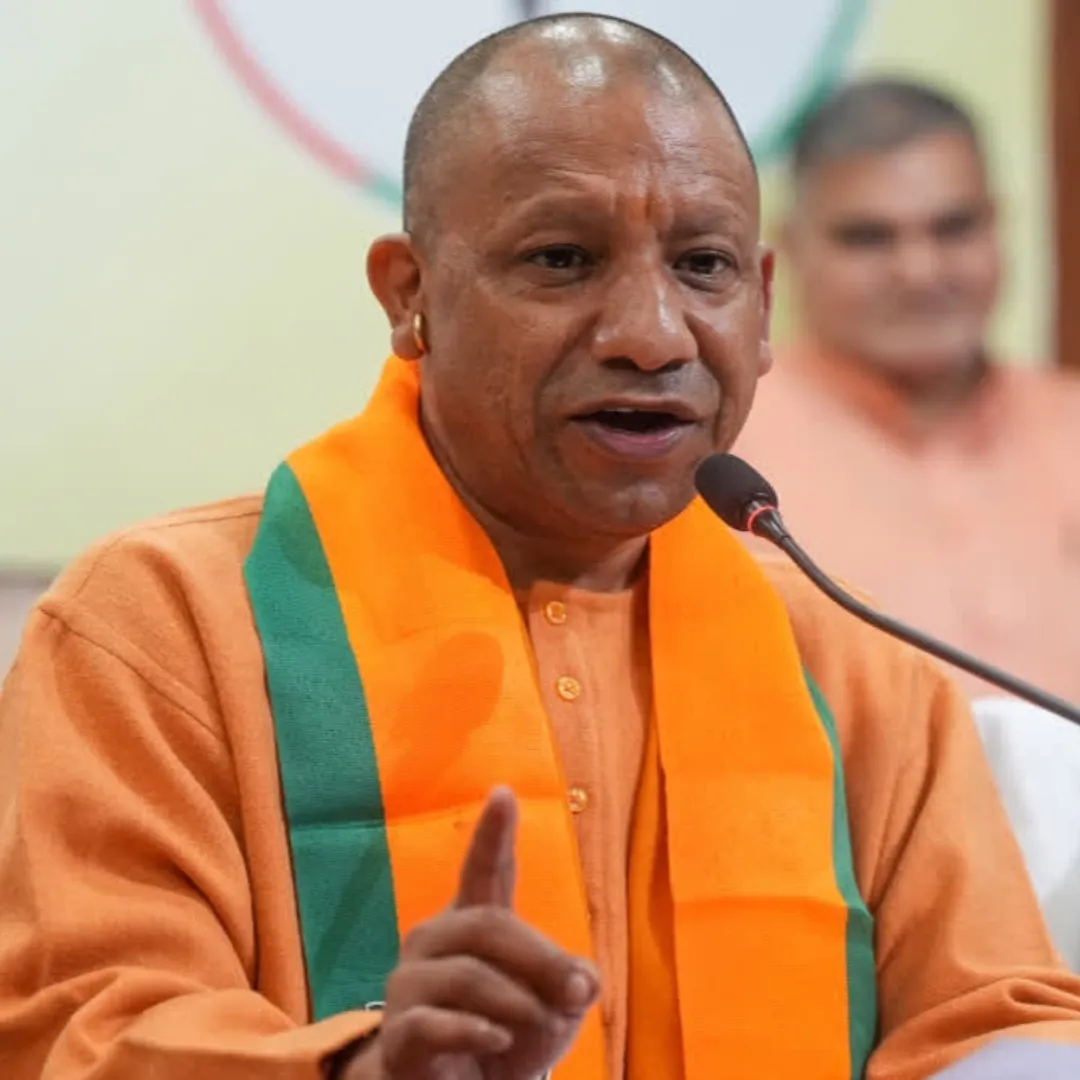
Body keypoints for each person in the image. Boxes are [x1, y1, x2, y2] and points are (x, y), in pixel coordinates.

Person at [2, 16, 1080, 1080]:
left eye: (701, 265)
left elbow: (999, 1020)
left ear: (760, 305)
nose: (651, 334)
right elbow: (75, 1031)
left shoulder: (855, 668)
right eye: (562, 259)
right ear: (409, 294)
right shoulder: (165, 629)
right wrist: (368, 1069)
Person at [734, 77, 1080, 704]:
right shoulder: (727, 454)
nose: (920, 272)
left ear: (998, 223)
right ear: (791, 248)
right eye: (869, 237)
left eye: (953, 227)